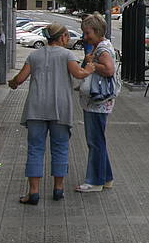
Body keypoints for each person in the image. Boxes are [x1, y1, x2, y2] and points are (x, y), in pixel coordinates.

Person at [9, 23, 95, 204]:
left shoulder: (34, 55)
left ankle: (33, 192)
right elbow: (78, 74)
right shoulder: (67, 55)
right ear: (62, 37)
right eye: (67, 36)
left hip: (36, 109)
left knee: (35, 149)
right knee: (60, 147)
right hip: (60, 109)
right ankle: (58, 189)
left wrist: (12, 83)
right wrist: (89, 69)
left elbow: (20, 79)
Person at [75, 13, 119, 193]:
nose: (85, 37)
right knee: (98, 140)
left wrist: (91, 63)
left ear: (97, 31)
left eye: (88, 33)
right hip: (98, 102)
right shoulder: (102, 46)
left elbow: (109, 69)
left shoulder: (102, 49)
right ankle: (106, 177)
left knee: (95, 141)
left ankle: (95, 181)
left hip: (97, 102)